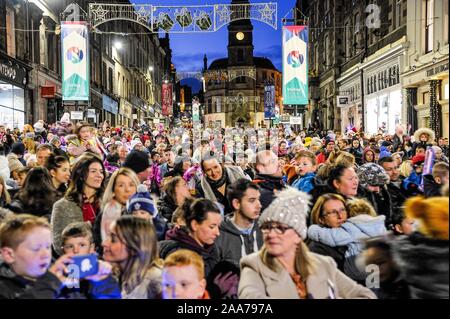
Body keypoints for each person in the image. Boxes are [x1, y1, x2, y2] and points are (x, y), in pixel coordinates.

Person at [238, 187, 376, 299]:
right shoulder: (253, 265)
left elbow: (366, 294)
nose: (272, 234)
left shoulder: (324, 264)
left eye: (281, 228)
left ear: (298, 236)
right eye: (266, 228)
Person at [308, 198, 386, 283]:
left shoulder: (350, 229)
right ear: (321, 219)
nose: (340, 216)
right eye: (333, 212)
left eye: (343, 210)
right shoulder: (318, 248)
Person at [391, 196, 449, 299]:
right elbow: (374, 285)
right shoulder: (387, 251)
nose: (418, 227)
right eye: (412, 223)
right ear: (398, 228)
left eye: (419, 222)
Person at [51, 153, 106, 256]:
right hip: (75, 264)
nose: (99, 175)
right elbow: (58, 244)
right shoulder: (62, 206)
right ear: (81, 174)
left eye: (101, 172)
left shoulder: (107, 203)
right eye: (93, 171)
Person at [102, 215, 163, 299]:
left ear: (136, 246)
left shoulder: (156, 280)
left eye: (113, 239)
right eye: (107, 236)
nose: (104, 243)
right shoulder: (114, 275)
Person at [159, 199, 221, 280]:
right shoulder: (178, 254)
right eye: (212, 227)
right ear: (194, 225)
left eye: (218, 227)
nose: (217, 233)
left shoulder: (212, 248)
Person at [59, 222, 121, 299]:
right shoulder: (60, 273)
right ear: (63, 250)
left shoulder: (102, 270)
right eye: (70, 246)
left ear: (91, 248)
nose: (75, 251)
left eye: (82, 245)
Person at [216, 179, 263, 268]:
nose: (259, 205)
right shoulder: (219, 235)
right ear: (236, 203)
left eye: (258, 199)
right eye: (252, 200)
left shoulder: (266, 229)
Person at [95, 167, 139, 248]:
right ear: (113, 190)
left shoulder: (147, 211)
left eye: (131, 185)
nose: (127, 189)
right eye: (121, 185)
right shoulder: (104, 215)